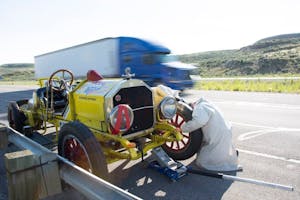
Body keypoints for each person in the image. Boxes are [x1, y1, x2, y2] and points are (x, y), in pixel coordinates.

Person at [153, 85, 240, 172]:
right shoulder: (208, 104)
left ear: (193, 104)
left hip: (217, 137)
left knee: (202, 162)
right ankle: (228, 156)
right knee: (218, 149)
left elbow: (198, 121)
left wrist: (181, 129)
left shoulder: (200, 107)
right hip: (225, 131)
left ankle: (222, 159)